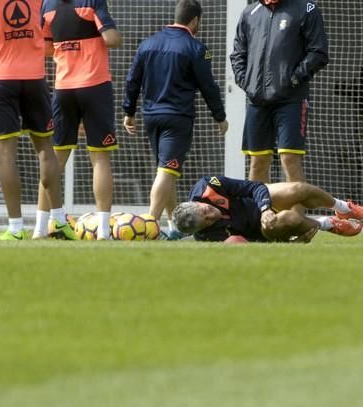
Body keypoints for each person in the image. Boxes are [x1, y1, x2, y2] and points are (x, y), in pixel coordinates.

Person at [0, 0, 74, 240]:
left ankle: (15, 228)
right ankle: (60, 220)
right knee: (45, 148)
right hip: (34, 78)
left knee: (6, 154)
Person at [122, 0, 228, 240]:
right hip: (177, 118)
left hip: (151, 117)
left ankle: (175, 227)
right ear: (195, 21)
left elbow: (132, 81)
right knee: (167, 171)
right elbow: (208, 86)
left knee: (167, 170)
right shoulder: (195, 48)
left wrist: (129, 111)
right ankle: (149, 226)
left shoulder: (148, 44)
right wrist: (219, 117)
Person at [35, 0, 122, 240]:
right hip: (95, 86)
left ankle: (40, 229)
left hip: (63, 89)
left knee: (54, 160)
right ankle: (103, 232)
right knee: (100, 158)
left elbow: (44, 47)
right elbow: (112, 39)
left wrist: (67, 49)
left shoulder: (47, 5)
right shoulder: (92, 1)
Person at [229, 0, 329, 183]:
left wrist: (293, 78)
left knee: (289, 159)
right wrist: (247, 83)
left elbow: (318, 52)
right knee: (257, 161)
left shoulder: (307, 8)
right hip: (256, 101)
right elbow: (237, 54)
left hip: (292, 99)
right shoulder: (249, 13)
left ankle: (296, 212)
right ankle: (261, 210)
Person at [172, 175, 363, 242]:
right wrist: (293, 245)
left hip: (260, 204)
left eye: (205, 211)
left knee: (298, 189)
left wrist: (264, 208)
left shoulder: (208, 185)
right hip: (263, 230)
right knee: (290, 219)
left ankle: (342, 208)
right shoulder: (207, 239)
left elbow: (254, 187)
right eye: (206, 222)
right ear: (200, 231)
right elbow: (252, 248)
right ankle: (328, 224)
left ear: (198, 202)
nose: (211, 216)